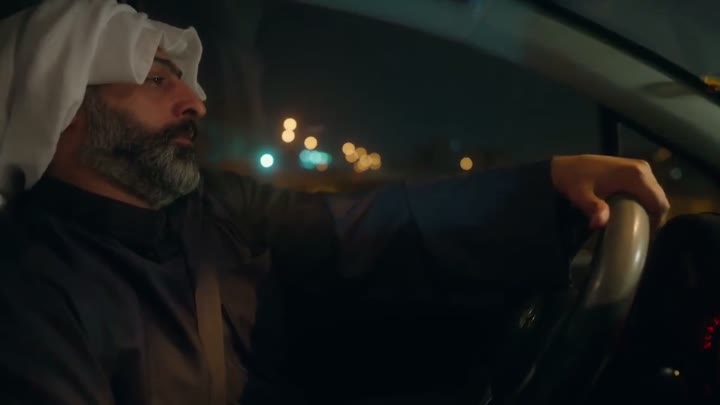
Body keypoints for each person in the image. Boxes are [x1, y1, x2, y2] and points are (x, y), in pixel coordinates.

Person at [0, 1, 670, 404]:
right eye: (155, 81)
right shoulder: (26, 296)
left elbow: (368, 230)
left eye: (183, 81)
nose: (195, 102)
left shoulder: (214, 209)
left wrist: (546, 185)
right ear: (64, 109)